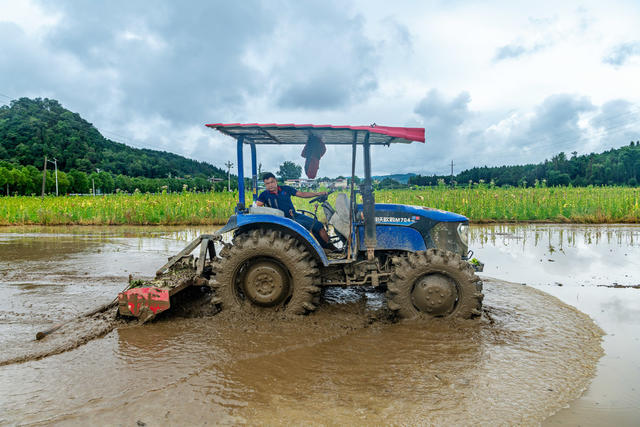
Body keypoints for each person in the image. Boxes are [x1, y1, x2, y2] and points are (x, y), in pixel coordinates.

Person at [256, 172, 333, 248]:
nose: (270, 185)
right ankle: (319, 248)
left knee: (318, 225)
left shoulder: (286, 189)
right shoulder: (264, 195)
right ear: (265, 185)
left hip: (294, 215)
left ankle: (330, 247)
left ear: (276, 181)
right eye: (267, 183)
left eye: (272, 182)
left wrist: (318, 194)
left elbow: (302, 194)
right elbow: (258, 207)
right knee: (308, 230)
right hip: (282, 220)